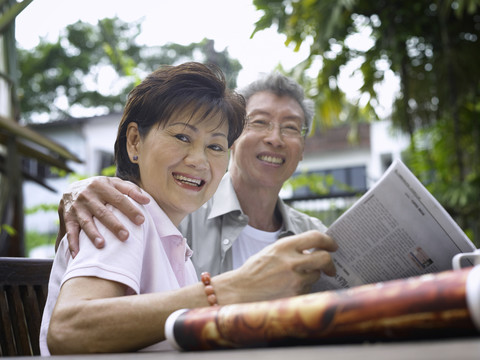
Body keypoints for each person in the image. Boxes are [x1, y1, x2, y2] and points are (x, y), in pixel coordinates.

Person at [40, 62, 337, 355]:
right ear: (134, 142)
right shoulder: (122, 212)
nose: (199, 160)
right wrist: (232, 288)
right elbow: (68, 330)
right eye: (182, 137)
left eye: (215, 146)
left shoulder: (174, 243)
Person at [57, 71, 337, 277]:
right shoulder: (167, 209)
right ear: (234, 140)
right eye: (260, 122)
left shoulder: (316, 235)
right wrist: (79, 191)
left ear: (302, 150)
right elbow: (73, 324)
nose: (275, 139)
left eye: (290, 127)